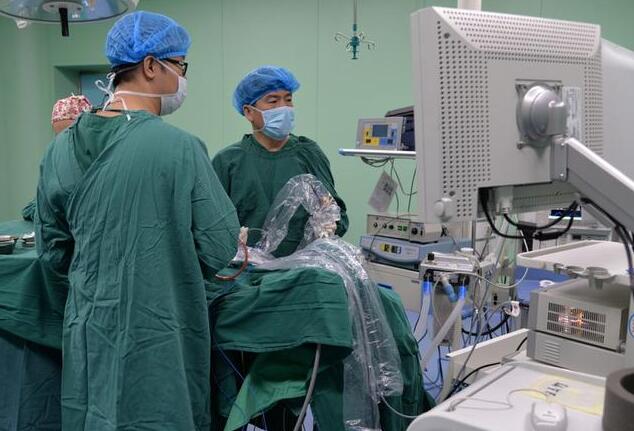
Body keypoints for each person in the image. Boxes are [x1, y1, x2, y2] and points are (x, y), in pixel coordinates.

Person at [35, 11, 240, 431]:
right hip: (158, 333)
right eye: (180, 66)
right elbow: (221, 246)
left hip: (89, 330)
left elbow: (53, 254)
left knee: (94, 415)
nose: (182, 78)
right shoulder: (179, 147)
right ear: (150, 65)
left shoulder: (58, 150)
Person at [212, 65, 348, 257]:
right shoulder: (228, 162)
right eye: (273, 101)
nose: (283, 107)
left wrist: (330, 224)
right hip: (246, 268)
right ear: (249, 112)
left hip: (302, 267)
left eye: (288, 99)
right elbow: (211, 223)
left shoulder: (309, 154)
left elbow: (337, 214)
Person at [22, 95, 92, 221]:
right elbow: (33, 206)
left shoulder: (100, 160)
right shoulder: (54, 161)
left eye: (69, 134)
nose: (63, 143)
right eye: (59, 136)